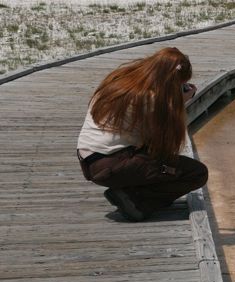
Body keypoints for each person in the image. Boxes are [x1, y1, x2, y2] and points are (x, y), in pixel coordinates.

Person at [77, 47, 208, 222]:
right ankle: (135, 201)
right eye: (180, 84)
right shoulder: (151, 99)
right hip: (111, 165)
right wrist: (179, 102)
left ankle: (132, 193)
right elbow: (163, 143)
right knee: (196, 173)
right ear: (170, 81)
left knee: (163, 162)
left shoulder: (120, 80)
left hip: (90, 161)